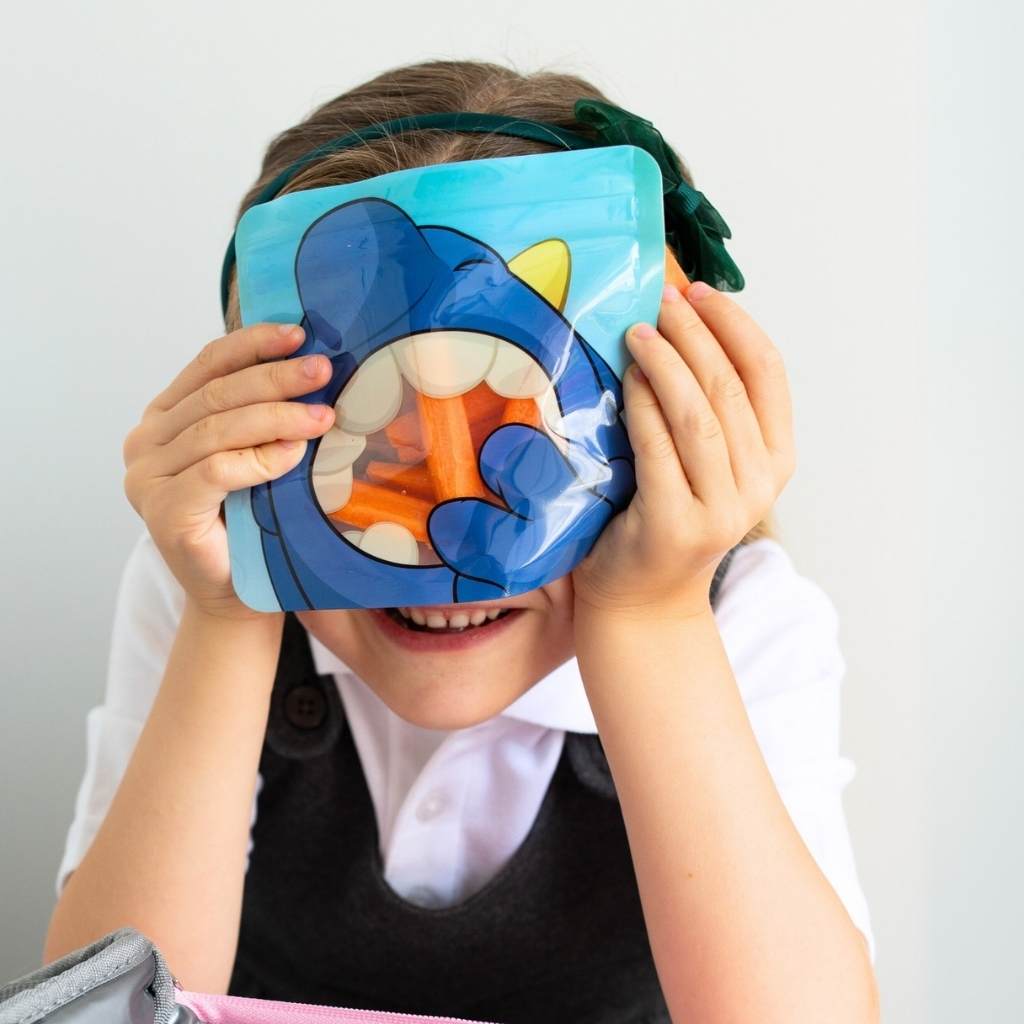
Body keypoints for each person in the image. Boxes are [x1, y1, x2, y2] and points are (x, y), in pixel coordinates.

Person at [43, 59, 880, 1023]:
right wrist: (231, 613)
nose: (449, 542)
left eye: (519, 448)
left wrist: (648, 618)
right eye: (371, 454)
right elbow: (104, 1013)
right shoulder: (206, 588)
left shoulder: (738, 618)